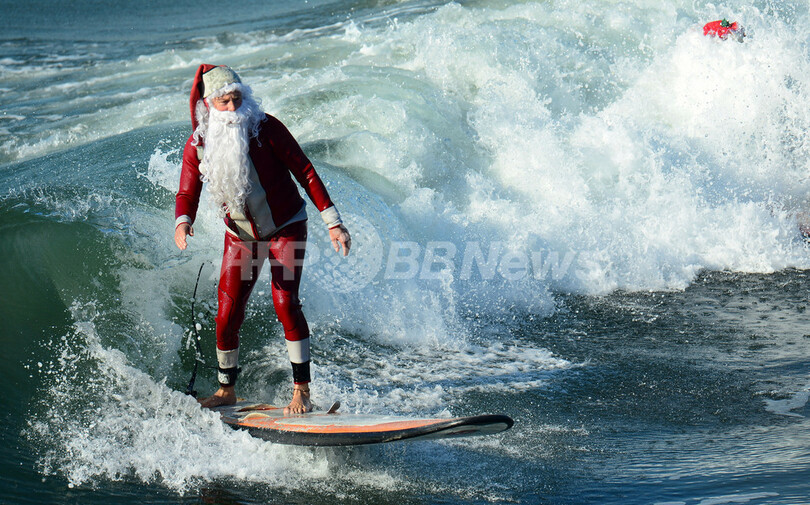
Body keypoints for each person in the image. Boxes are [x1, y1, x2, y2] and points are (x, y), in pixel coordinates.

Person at [174, 64, 351, 413]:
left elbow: (305, 170)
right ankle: (227, 390)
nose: (233, 108)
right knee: (226, 313)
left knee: (285, 302)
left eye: (238, 99)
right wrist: (183, 222)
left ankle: (302, 391)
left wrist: (333, 221)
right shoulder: (198, 144)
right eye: (224, 102)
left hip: (286, 226)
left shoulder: (265, 128)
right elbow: (187, 190)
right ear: (209, 105)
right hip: (241, 237)